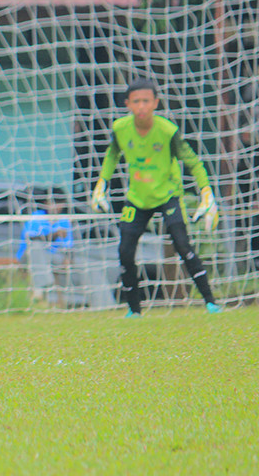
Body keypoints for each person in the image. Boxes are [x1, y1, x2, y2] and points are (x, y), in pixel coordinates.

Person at [90, 78, 221, 317]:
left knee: (182, 245)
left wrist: (206, 193)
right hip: (137, 198)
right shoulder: (120, 129)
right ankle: (134, 311)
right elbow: (111, 156)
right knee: (125, 251)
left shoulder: (167, 131)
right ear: (128, 104)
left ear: (155, 103)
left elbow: (193, 162)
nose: (141, 106)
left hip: (167, 195)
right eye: (136, 101)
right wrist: (101, 184)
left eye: (146, 101)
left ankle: (211, 303)